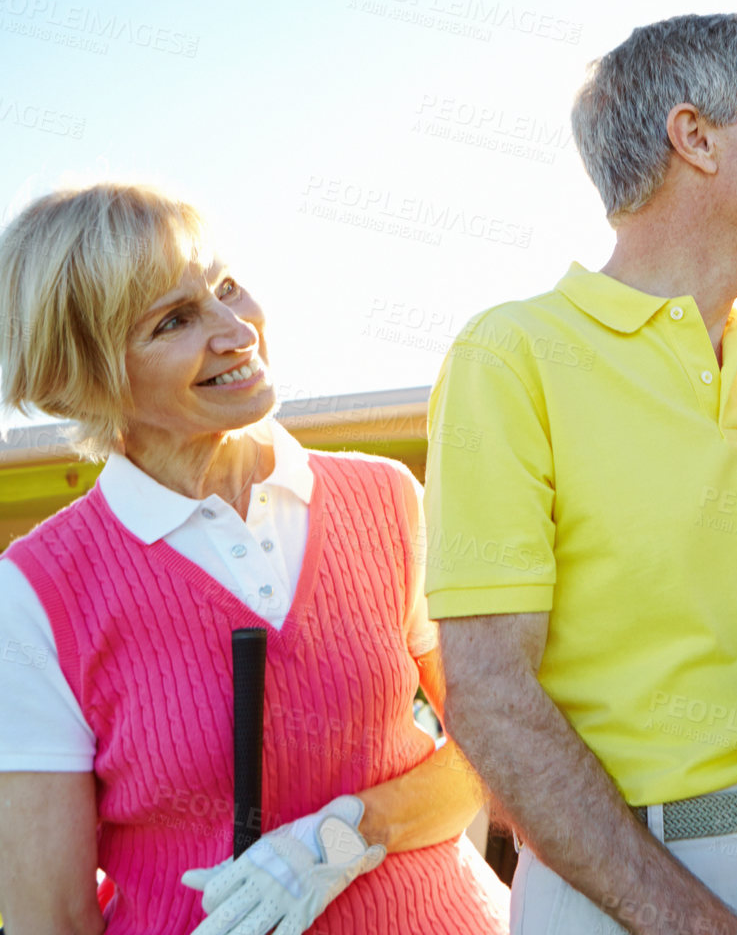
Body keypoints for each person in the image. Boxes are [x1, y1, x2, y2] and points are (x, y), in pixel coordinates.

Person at [425, 12, 737, 935]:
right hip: (632, 893)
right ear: (695, 137)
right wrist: (693, 924)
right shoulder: (514, 355)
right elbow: (491, 697)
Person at [0, 184, 507, 935]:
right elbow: (53, 918)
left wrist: (348, 834)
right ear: (84, 376)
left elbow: (494, 751)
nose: (237, 330)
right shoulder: (39, 592)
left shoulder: (387, 500)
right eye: (174, 320)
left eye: (227, 288)